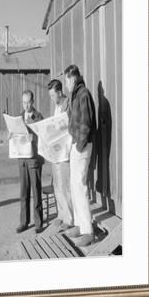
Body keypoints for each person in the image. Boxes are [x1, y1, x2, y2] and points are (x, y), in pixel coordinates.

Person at [64, 65, 97, 247]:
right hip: (77, 145)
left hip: (82, 147)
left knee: (80, 185)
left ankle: (88, 232)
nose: (66, 84)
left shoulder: (83, 94)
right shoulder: (76, 95)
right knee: (74, 186)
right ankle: (78, 224)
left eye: (67, 80)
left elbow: (86, 124)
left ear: (73, 78)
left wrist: (79, 145)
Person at [11, 90, 44, 234]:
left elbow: (44, 137)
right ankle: (24, 222)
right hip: (22, 159)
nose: (26, 105)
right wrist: (11, 135)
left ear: (33, 101)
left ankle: (38, 223)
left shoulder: (39, 117)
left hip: (34, 159)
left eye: (29, 102)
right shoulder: (18, 118)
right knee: (23, 192)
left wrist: (34, 138)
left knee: (36, 191)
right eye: (24, 102)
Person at [47, 79, 74, 231]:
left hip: (64, 152)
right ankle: (61, 214)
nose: (52, 99)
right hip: (55, 151)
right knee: (57, 185)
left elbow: (68, 127)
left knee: (65, 186)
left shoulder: (67, 105)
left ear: (59, 92)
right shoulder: (57, 107)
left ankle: (69, 218)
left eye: (53, 95)